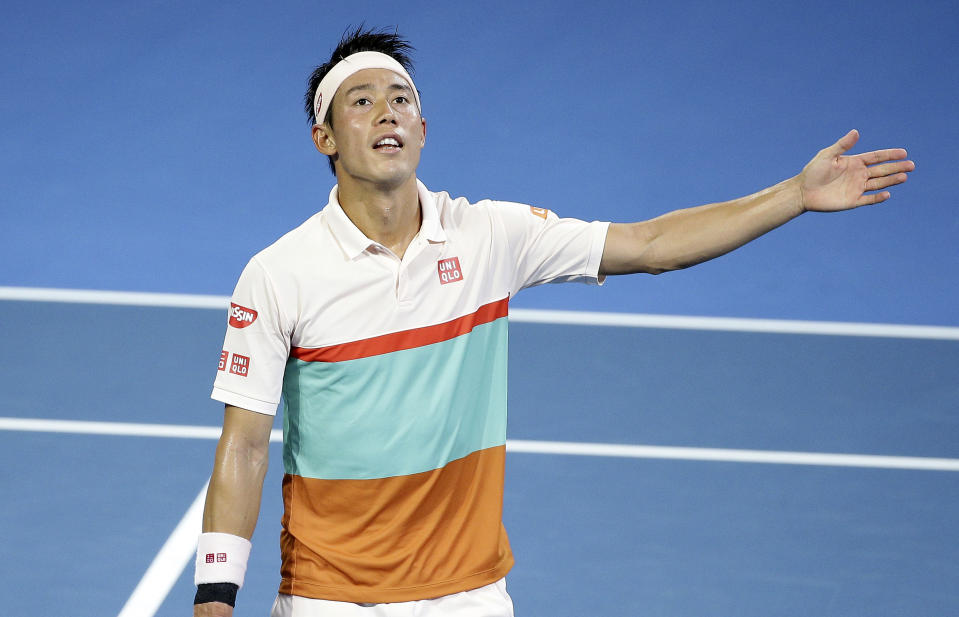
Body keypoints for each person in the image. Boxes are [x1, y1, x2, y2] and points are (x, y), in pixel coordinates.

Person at [193, 25, 914, 617]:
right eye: (361, 101)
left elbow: (652, 244)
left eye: (401, 98)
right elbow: (247, 446)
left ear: (422, 126)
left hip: (468, 595)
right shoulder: (280, 273)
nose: (387, 112)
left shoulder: (489, 237)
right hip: (328, 599)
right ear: (324, 137)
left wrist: (792, 193)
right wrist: (215, 599)